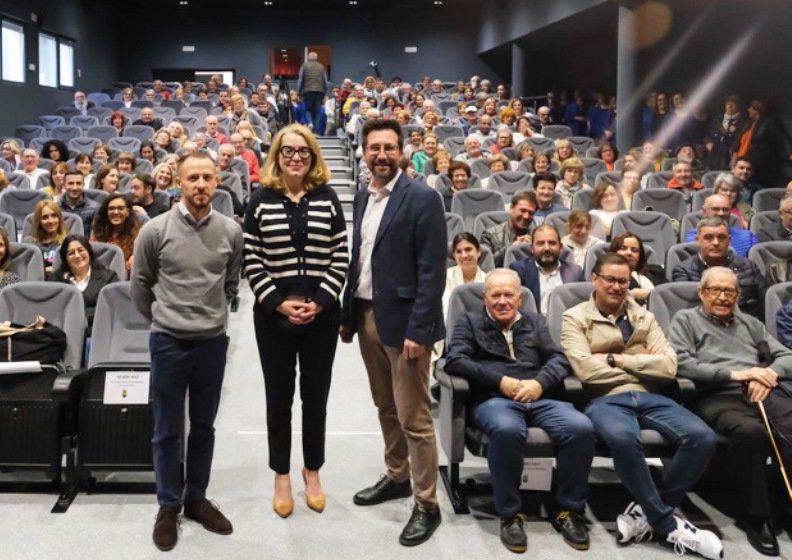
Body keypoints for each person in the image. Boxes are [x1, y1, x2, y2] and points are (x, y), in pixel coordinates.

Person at [560, 252, 723, 559]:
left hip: (652, 396)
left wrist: (616, 359)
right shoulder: (575, 317)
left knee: (702, 438)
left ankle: (646, 514)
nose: (617, 286)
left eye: (624, 281)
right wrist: (644, 363)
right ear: (594, 279)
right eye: (610, 279)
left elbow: (669, 367)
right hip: (605, 398)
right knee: (623, 439)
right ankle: (666, 522)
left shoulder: (644, 317)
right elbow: (584, 369)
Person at [340, 120, 445, 547]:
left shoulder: (422, 197)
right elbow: (360, 258)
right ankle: (397, 477)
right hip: (368, 314)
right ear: (364, 152)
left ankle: (427, 504)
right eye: (373, 148)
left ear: (401, 151)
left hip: (406, 327)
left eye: (388, 148)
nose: (380, 155)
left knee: (415, 418)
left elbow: (431, 270)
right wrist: (348, 314)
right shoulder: (364, 194)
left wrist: (420, 329)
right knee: (385, 406)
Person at [131, 152, 243, 551]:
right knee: (166, 430)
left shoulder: (231, 231)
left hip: (212, 343)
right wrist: (165, 318)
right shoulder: (155, 231)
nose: (200, 185)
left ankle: (196, 497)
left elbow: (232, 283)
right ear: (178, 182)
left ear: (217, 182)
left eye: (207, 178)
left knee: (204, 426)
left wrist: (211, 314)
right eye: (192, 177)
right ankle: (168, 504)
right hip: (168, 341)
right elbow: (140, 286)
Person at [446, 269, 594, 553]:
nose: (502, 301)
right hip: (495, 399)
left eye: (508, 295)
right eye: (495, 295)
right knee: (508, 430)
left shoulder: (536, 322)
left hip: (539, 397)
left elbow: (559, 359)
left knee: (581, 428)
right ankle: (510, 513)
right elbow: (455, 360)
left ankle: (569, 510)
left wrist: (539, 384)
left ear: (520, 297)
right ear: (484, 297)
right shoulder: (470, 321)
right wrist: (500, 381)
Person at [242, 124, 347, 519]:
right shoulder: (260, 199)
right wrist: (278, 303)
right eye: (288, 151)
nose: (296, 157)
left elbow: (340, 252)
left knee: (315, 397)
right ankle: (282, 474)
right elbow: (251, 257)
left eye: (304, 151)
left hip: (321, 316)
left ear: (313, 156)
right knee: (279, 398)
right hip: (274, 318)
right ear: (277, 156)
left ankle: (312, 470)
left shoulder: (329, 197)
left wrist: (320, 302)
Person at [670, 267, 792, 556]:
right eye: (715, 290)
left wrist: (769, 375)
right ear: (702, 292)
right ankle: (758, 517)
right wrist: (739, 374)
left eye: (730, 292)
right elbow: (682, 363)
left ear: (738, 295)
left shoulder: (751, 324)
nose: (723, 297)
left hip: (763, 390)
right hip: (717, 394)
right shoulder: (686, 320)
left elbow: (786, 356)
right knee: (750, 433)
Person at [672, 217, 764, 319]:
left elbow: (764, 301)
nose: (716, 243)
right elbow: (690, 310)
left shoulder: (747, 266)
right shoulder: (684, 270)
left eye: (721, 237)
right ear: (698, 240)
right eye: (708, 237)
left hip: (745, 325)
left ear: (729, 240)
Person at [509, 225, 584, 314]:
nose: (547, 248)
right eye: (540, 243)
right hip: (533, 326)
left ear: (560, 247)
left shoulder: (575, 272)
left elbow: (582, 307)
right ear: (532, 249)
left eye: (552, 243)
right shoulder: (519, 270)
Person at [57, 235, 119, 332]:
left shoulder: (108, 278)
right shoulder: (56, 281)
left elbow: (112, 310)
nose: (77, 256)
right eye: (71, 253)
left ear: (89, 252)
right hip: (65, 332)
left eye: (81, 250)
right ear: (65, 259)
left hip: (98, 331)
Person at [682, 193, 758, 256]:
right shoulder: (695, 235)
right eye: (716, 209)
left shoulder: (748, 236)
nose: (721, 213)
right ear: (704, 212)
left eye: (725, 209)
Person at [481, 191, 537, 268]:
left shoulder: (536, 236)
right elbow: (485, 265)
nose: (526, 216)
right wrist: (511, 248)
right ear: (511, 208)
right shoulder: (489, 235)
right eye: (523, 210)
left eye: (531, 213)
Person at [608, 232, 665, 306]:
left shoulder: (656, 272)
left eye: (634, 250)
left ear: (639, 256)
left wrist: (652, 294)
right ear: (613, 253)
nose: (629, 253)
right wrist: (631, 294)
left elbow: (669, 295)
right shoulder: (608, 277)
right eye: (623, 248)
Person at [90, 194, 141, 275]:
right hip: (99, 277)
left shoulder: (138, 236)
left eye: (120, 208)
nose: (115, 212)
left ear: (127, 212)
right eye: (111, 209)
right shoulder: (98, 233)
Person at [22, 200, 67, 278]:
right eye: (45, 217)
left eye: (54, 216)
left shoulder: (67, 243)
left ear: (59, 218)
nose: (50, 221)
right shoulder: (29, 244)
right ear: (39, 221)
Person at [58, 170, 100, 238]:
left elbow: (95, 236)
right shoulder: (56, 207)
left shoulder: (95, 208)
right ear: (64, 185)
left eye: (78, 183)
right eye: (71, 183)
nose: (75, 188)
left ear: (83, 185)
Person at [296, 51, 328, 136]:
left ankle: (310, 122)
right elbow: (325, 80)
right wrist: (325, 92)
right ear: (316, 58)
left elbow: (300, 80)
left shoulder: (304, 66)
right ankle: (316, 131)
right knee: (317, 111)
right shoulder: (321, 67)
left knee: (308, 109)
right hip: (319, 91)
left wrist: (298, 92)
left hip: (308, 91)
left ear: (308, 58)